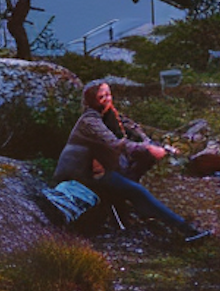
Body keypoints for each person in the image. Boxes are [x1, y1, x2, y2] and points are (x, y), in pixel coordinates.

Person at [53, 81, 210, 242]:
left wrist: (152, 144)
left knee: (135, 174)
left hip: (98, 169)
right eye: (101, 96)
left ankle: (132, 213)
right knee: (137, 191)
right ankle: (186, 230)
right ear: (91, 100)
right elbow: (116, 144)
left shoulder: (109, 115)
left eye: (108, 94)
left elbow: (134, 129)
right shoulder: (90, 120)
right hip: (81, 174)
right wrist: (148, 149)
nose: (107, 99)